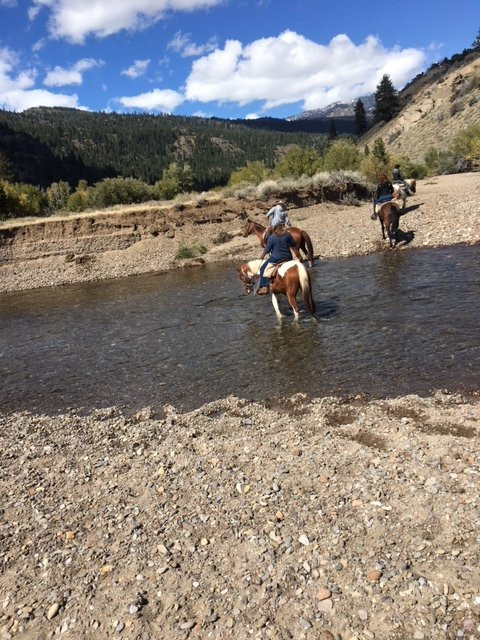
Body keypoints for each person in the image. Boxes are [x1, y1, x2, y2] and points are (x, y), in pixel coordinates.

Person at [255, 225, 296, 295]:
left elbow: (267, 249)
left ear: (274, 230)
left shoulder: (271, 237)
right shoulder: (287, 235)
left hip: (276, 258)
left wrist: (262, 256)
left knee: (262, 268)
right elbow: (293, 244)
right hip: (288, 257)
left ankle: (264, 287)